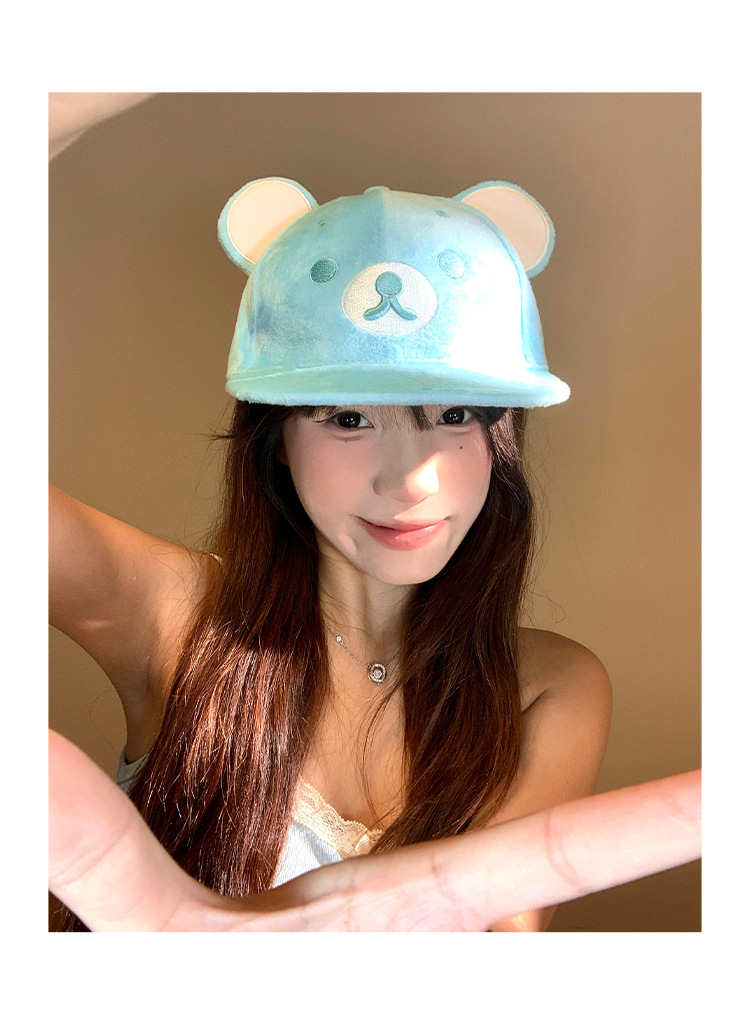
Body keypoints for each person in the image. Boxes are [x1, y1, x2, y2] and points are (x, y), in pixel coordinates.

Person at [48, 94, 700, 932]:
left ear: (501, 436)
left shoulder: (548, 687)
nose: (410, 478)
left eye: (453, 415)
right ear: (277, 441)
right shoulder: (177, 617)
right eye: (349, 417)